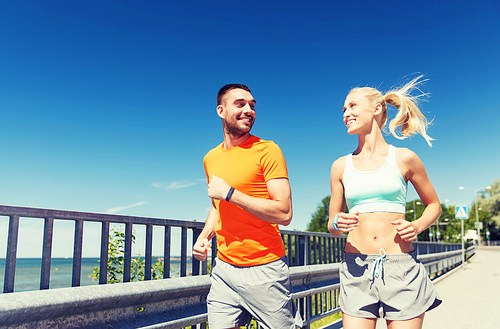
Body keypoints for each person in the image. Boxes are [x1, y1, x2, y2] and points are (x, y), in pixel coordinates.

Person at [328, 76, 442, 329]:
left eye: (352, 106)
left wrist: (418, 225)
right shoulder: (339, 166)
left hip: (400, 267)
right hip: (356, 268)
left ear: (376, 108)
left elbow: (434, 205)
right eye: (344, 109)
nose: (346, 113)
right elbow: (332, 225)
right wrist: (338, 221)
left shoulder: (405, 158)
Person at [192, 84, 303, 329]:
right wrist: (204, 236)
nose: (249, 110)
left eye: (252, 105)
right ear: (221, 111)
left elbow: (284, 213)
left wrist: (232, 194)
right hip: (224, 269)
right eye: (240, 104)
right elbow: (217, 206)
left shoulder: (267, 150)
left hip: (265, 269)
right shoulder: (210, 158)